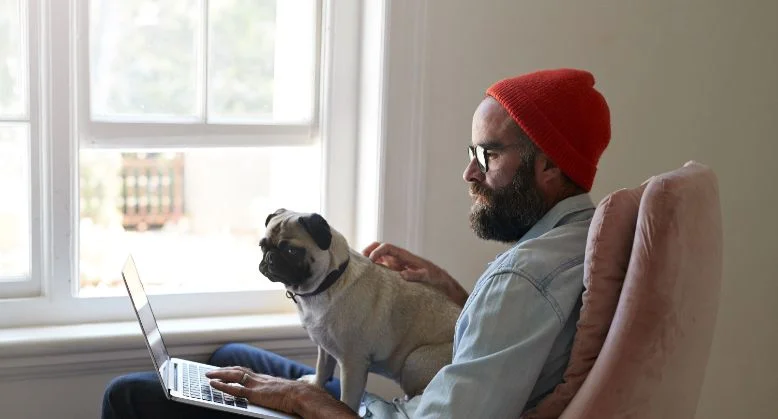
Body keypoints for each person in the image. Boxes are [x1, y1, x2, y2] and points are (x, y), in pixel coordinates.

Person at [102, 68, 611, 419]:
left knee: (128, 395)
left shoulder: (521, 279)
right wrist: (454, 293)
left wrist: (308, 402)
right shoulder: (578, 240)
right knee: (229, 353)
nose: (469, 172)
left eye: (489, 154)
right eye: (471, 152)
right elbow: (502, 342)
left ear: (549, 166)